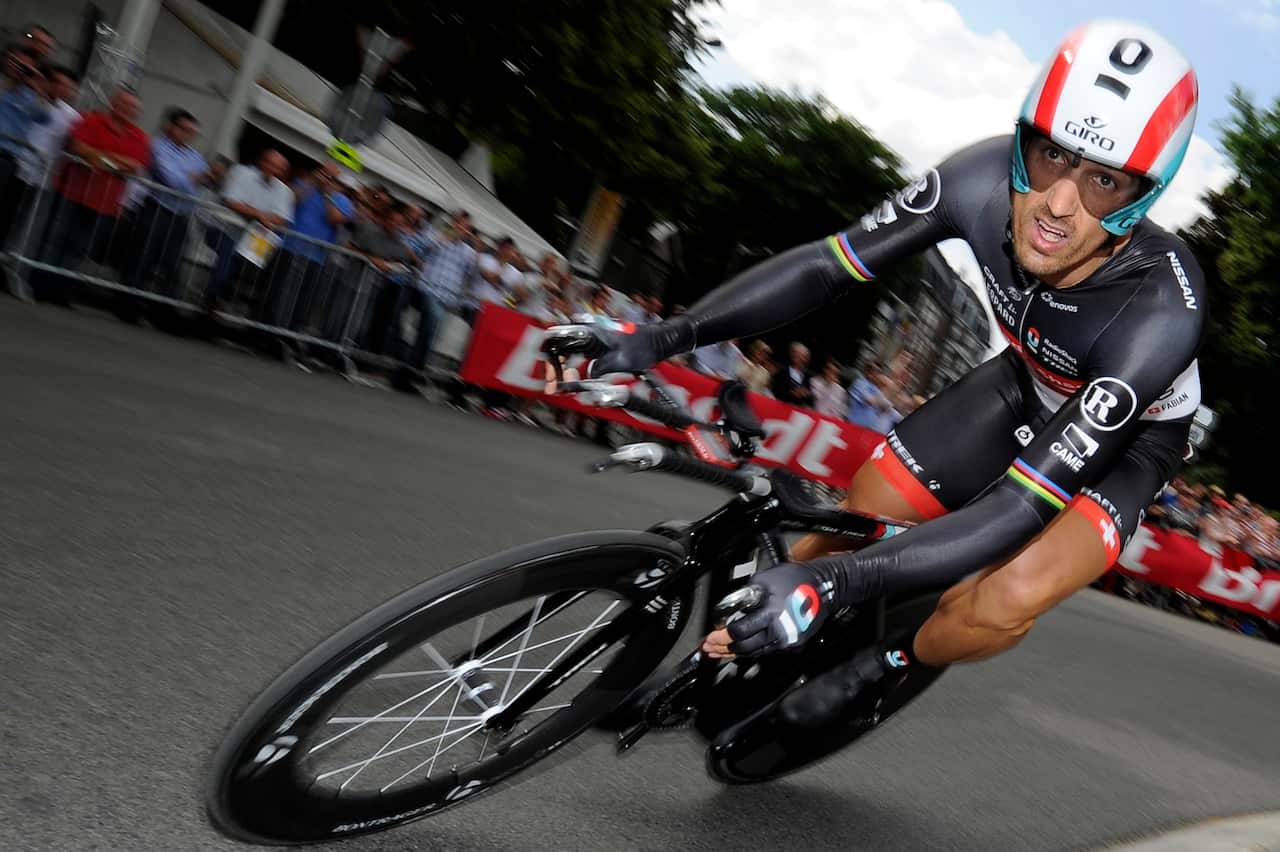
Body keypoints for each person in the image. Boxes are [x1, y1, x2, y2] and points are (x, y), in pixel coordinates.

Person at [549, 20, 1206, 727]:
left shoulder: (1161, 310)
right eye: (1051, 156)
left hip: (1129, 444)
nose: (1058, 203)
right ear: (1024, 139)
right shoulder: (977, 178)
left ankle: (893, 661)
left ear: (1142, 197)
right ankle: (725, 657)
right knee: (862, 511)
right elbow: (824, 266)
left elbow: (1020, 509)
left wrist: (835, 586)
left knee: (1006, 595)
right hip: (1024, 382)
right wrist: (659, 337)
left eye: (1103, 180)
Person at [31, 86, 150, 305]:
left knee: (79, 247)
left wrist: (101, 159)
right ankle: (39, 284)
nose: (128, 110)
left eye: (132, 107)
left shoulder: (139, 137)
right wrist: (115, 163)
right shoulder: (90, 120)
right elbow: (78, 148)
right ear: (113, 104)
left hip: (104, 202)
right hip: (71, 191)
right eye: (124, 104)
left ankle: (60, 289)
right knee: (54, 239)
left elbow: (135, 166)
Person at [202, 149, 294, 310]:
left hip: (252, 239)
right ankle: (210, 302)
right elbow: (231, 201)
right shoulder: (242, 173)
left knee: (239, 273)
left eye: (278, 167)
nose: (272, 169)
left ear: (283, 171)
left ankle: (214, 303)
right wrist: (260, 215)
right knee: (226, 264)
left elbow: (283, 219)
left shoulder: (284, 191)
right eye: (269, 163)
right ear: (262, 162)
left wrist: (250, 210)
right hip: (223, 228)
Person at [771, 342, 813, 406]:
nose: (803, 359)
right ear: (792, 356)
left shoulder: (810, 376)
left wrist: (807, 394)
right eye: (800, 356)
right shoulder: (782, 371)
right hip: (782, 407)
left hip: (800, 411)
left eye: (805, 357)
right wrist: (792, 393)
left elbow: (812, 401)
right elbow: (776, 392)